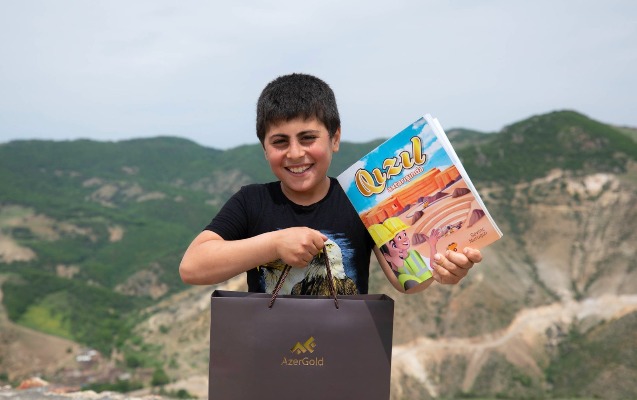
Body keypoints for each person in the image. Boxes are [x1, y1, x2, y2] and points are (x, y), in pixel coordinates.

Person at [179, 73, 482, 294]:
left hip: (342, 357)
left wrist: (442, 270)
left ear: (335, 138)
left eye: (308, 138)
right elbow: (192, 267)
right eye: (280, 142)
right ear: (264, 148)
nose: (295, 153)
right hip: (270, 359)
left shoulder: (358, 199)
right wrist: (274, 244)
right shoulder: (252, 201)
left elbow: (406, 282)